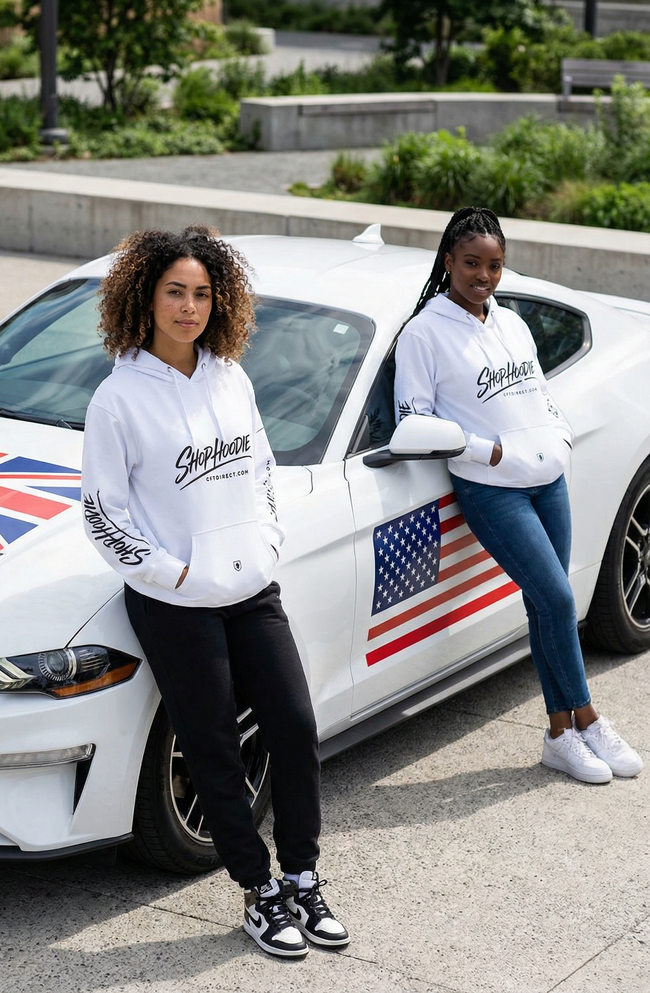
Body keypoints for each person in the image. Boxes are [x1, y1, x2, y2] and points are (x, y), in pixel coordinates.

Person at [81, 225, 349, 958]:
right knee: (215, 750)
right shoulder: (118, 398)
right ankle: (260, 892)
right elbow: (103, 513)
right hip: (174, 601)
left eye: (201, 293)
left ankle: (302, 873)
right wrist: (170, 573)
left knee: (293, 725)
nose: (189, 307)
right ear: (146, 295)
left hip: (250, 585)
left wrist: (265, 542)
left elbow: (262, 469)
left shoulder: (231, 375)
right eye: (175, 292)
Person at [394, 206, 643, 785]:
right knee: (558, 599)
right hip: (493, 489)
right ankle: (586, 717)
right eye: (472, 263)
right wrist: (489, 453)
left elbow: (537, 389)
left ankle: (561, 735)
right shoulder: (424, 333)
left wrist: (556, 432)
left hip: (549, 479)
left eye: (495, 265)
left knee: (544, 604)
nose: (484, 275)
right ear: (449, 261)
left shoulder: (509, 323)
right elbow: (412, 421)